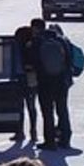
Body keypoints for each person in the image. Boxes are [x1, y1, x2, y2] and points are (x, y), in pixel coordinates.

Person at [28, 19, 73, 150]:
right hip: (61, 81)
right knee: (62, 110)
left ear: (35, 28)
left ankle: (50, 141)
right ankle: (65, 139)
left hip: (45, 82)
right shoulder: (62, 41)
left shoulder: (37, 42)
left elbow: (33, 61)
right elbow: (69, 60)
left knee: (47, 112)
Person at [13, 26, 38, 143]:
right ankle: (33, 131)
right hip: (31, 79)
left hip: (20, 79)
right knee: (31, 106)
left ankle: (20, 131)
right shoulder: (33, 46)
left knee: (20, 106)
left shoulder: (18, 48)